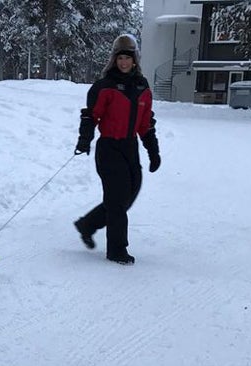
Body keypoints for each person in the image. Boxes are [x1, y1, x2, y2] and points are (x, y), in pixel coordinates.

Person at [73, 34, 161, 265]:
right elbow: (91, 115)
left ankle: (87, 224)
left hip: (130, 147)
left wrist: (153, 151)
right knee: (118, 199)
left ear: (135, 61)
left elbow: (145, 123)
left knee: (126, 197)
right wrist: (85, 139)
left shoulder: (142, 87)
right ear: (114, 59)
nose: (123, 62)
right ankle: (117, 250)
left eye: (127, 58)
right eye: (119, 58)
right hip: (109, 147)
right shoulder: (105, 86)